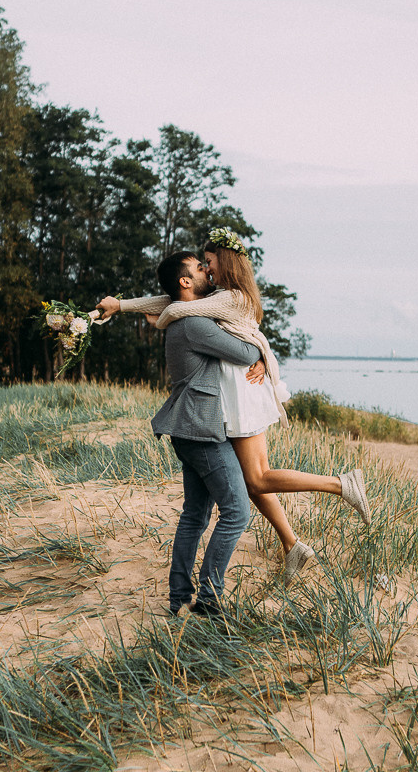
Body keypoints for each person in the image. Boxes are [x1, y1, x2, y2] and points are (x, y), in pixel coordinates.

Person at [96, 229, 371, 585]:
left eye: (208, 262)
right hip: (232, 388)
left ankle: (340, 485)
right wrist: (122, 306)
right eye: (202, 265)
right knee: (253, 481)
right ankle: (293, 546)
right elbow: (173, 301)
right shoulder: (219, 296)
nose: (207, 270)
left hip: (242, 389)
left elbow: (179, 307)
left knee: (255, 478)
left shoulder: (233, 298)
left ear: (225, 262)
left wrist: (161, 320)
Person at [145, 251, 266, 617]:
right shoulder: (195, 325)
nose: (205, 271)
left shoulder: (186, 320)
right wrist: (259, 351)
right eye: (199, 268)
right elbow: (244, 352)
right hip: (200, 429)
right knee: (236, 512)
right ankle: (210, 600)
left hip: (188, 428)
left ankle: (179, 598)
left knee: (195, 517)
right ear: (185, 282)